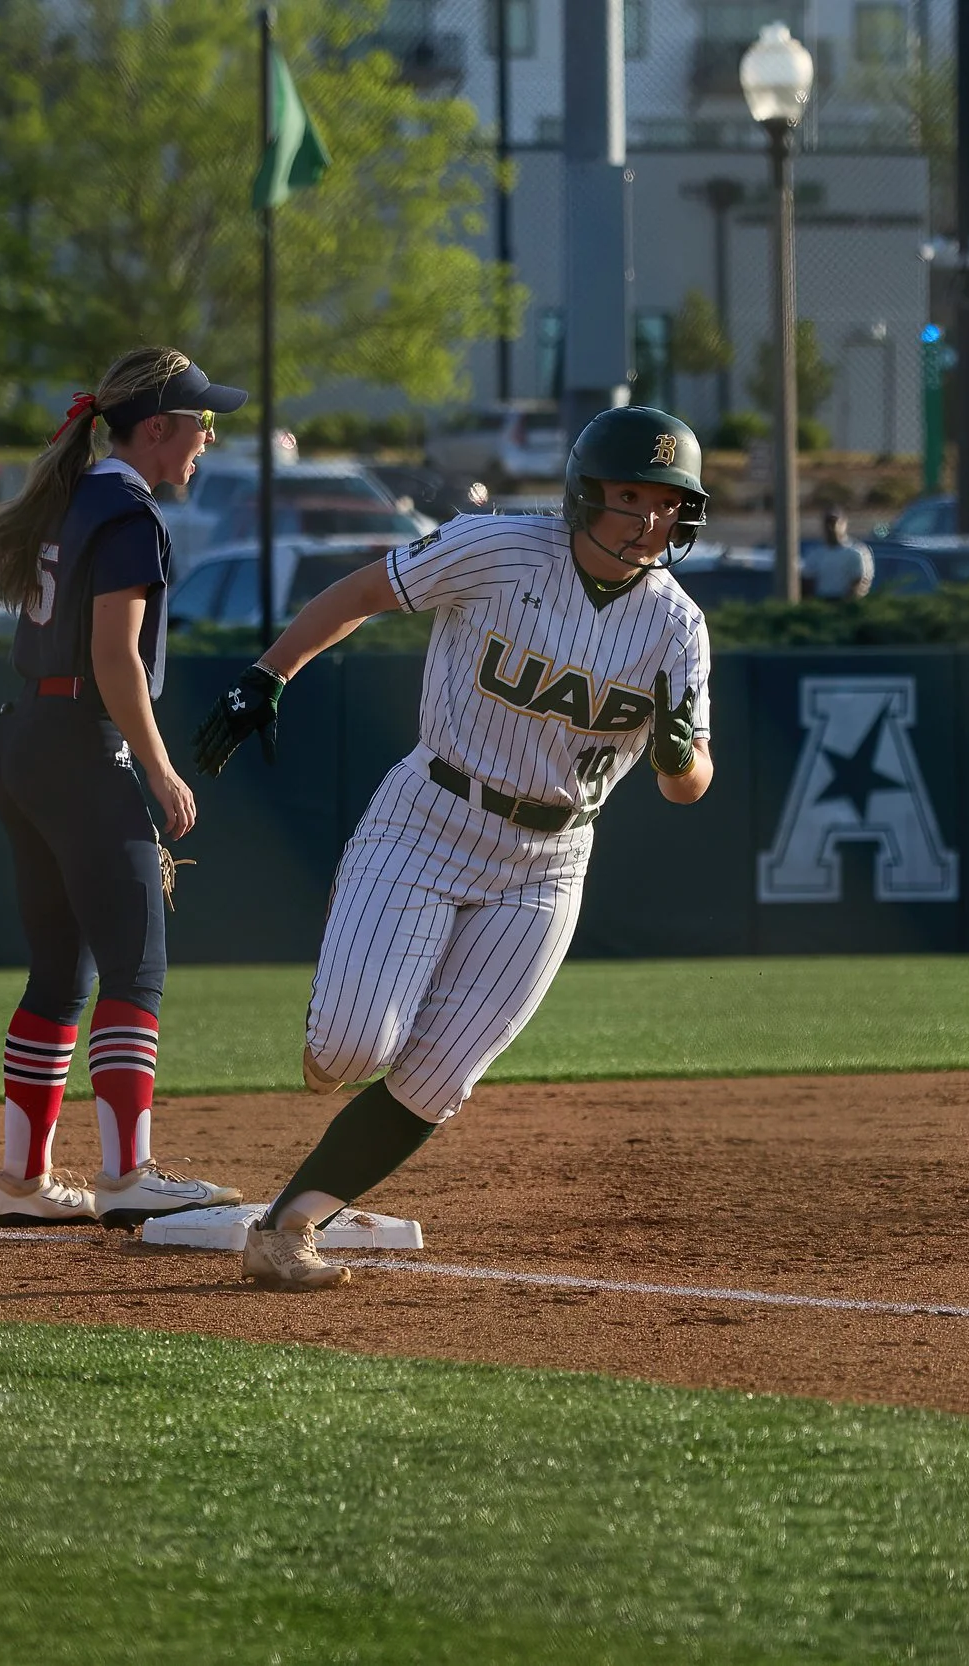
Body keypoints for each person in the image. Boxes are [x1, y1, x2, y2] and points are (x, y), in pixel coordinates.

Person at [195, 406, 717, 1292]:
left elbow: (688, 783)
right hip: (432, 816)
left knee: (439, 1076)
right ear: (585, 491)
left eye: (670, 502)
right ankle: (349, 1008)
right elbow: (366, 592)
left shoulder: (676, 626)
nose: (651, 519)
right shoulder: (500, 549)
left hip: (550, 863)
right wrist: (266, 674)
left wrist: (681, 755)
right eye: (632, 494)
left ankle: (287, 1230)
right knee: (353, 1048)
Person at [0, 347, 246, 1232]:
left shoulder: (78, 493)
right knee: (136, 967)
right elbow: (114, 656)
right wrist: (160, 769)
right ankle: (127, 1174)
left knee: (59, 974)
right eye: (201, 420)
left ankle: (22, 1182)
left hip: (23, 740)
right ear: (157, 428)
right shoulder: (128, 510)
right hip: (81, 747)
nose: (209, 435)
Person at [806, 505, 874, 600]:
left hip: (845, 603)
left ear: (844, 524)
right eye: (827, 523)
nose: (831, 527)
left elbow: (860, 582)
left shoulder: (856, 552)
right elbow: (808, 581)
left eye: (834, 522)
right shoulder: (815, 554)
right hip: (821, 601)